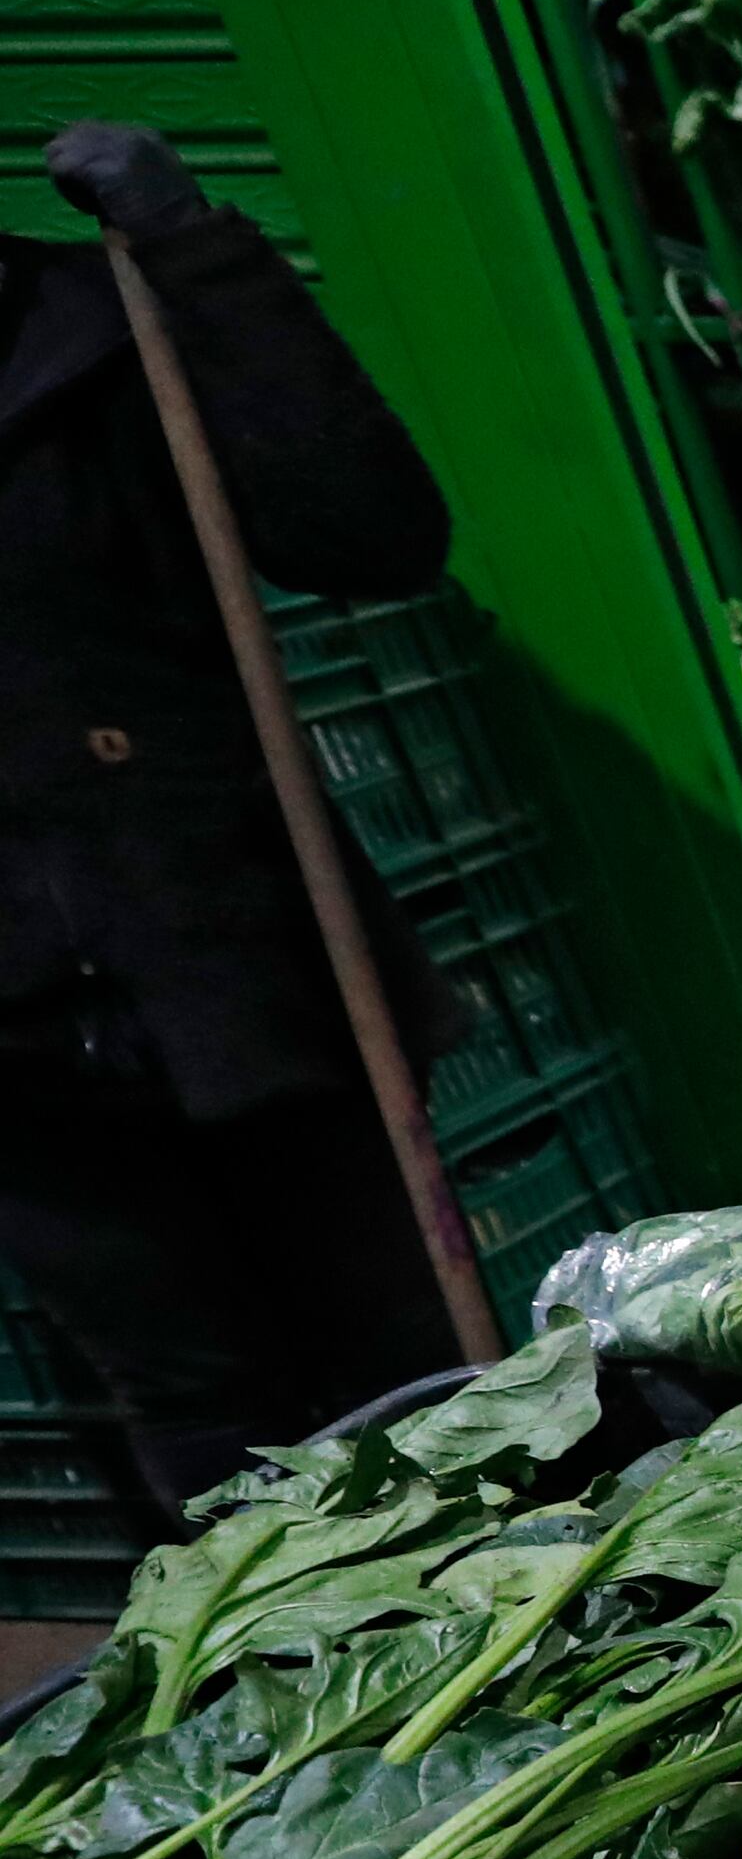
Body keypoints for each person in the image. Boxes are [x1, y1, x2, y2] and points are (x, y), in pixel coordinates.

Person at [1, 123, 464, 1507]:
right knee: (197, 1400)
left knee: (407, 1358)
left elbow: (370, 531)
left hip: (227, 938)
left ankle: (530, 1652)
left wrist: (200, 256)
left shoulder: (82, 325)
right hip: (16, 1030)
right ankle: (304, 1698)